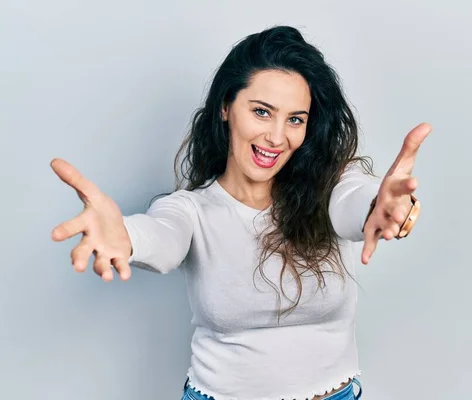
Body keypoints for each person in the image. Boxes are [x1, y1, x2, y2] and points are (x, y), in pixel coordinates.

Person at [50, 25, 430, 400]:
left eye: (295, 119)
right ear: (226, 107)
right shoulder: (191, 211)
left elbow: (355, 202)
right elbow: (162, 236)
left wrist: (381, 208)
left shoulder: (329, 186)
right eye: (262, 112)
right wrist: (126, 237)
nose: (277, 137)